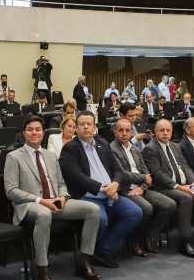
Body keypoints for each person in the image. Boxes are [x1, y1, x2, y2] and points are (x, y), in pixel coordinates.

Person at [4, 115, 102, 280]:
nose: (34, 133)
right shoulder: (14, 157)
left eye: (38, 129)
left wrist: (63, 198)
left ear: (43, 133)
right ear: (24, 134)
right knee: (44, 214)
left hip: (56, 202)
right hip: (30, 204)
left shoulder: (50, 156)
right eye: (30, 130)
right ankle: (41, 272)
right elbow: (11, 191)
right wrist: (41, 201)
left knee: (93, 210)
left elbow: (61, 184)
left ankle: (83, 262)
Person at [58, 112, 142, 268]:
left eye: (89, 124)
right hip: (88, 196)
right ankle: (97, 252)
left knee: (135, 213)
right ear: (76, 128)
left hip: (111, 193)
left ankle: (102, 250)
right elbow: (76, 177)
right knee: (101, 220)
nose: (85, 127)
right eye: (82, 124)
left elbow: (118, 169)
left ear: (94, 127)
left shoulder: (103, 144)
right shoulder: (69, 148)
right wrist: (104, 189)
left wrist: (115, 184)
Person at [142, 119, 194, 258]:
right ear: (155, 132)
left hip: (184, 185)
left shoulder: (175, 146)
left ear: (172, 132)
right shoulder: (150, 149)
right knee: (186, 198)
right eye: (161, 130)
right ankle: (184, 242)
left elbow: (185, 167)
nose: (165, 133)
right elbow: (157, 175)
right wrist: (180, 187)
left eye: (168, 130)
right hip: (164, 188)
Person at [109, 118, 176, 255]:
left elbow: (147, 173)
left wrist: (143, 186)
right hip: (125, 190)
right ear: (115, 132)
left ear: (132, 132)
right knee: (146, 208)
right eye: (121, 130)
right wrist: (144, 178)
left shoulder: (135, 148)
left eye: (127, 130)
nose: (124, 133)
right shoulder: (111, 149)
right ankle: (134, 241)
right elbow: (122, 174)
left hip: (142, 188)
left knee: (169, 205)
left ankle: (150, 236)